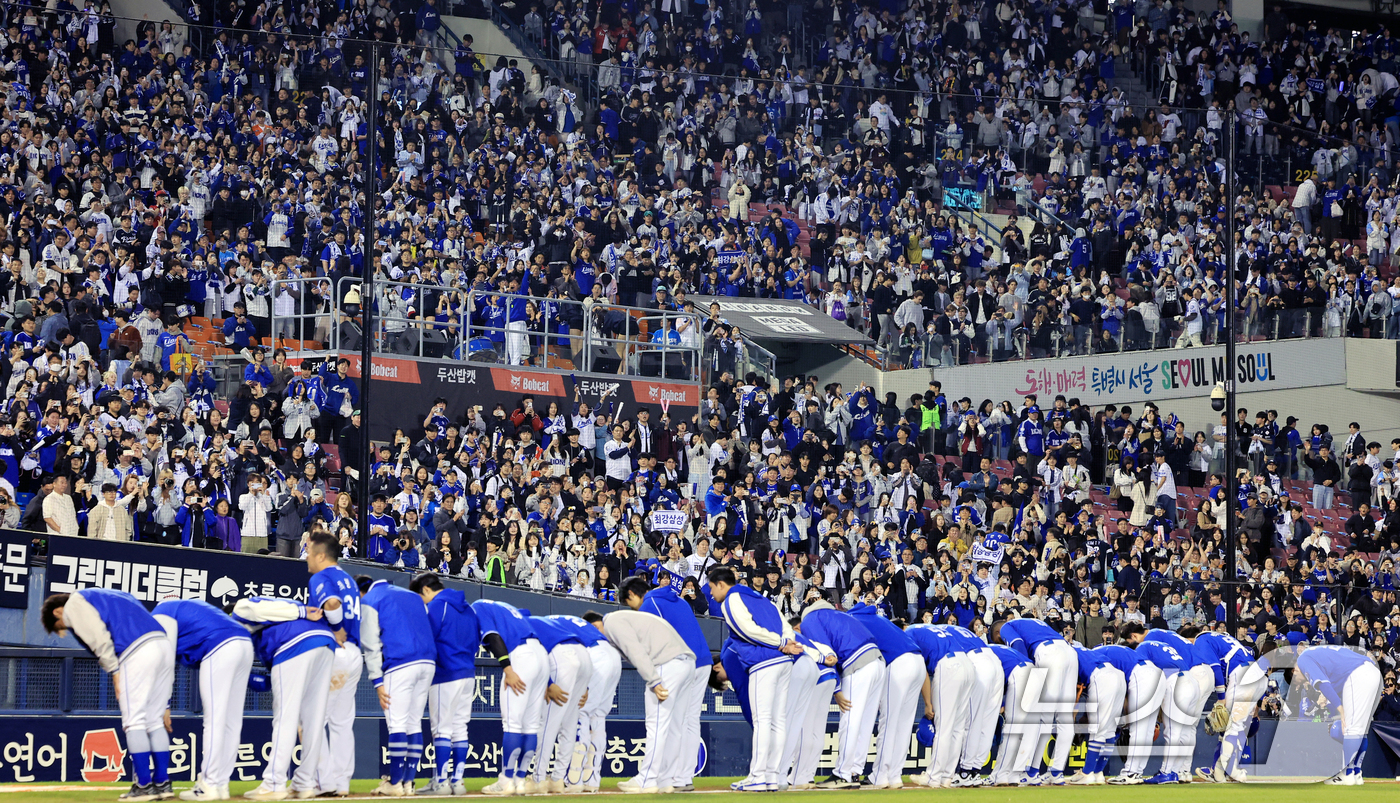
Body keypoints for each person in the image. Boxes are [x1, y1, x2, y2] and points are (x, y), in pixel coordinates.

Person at [42, 589, 177, 802]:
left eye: (61, 626)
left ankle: (143, 786)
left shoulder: (75, 602)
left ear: (58, 611)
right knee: (154, 722)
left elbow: (98, 636)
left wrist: (114, 671)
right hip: (163, 645)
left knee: (134, 722)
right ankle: (162, 783)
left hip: (137, 649)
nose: (67, 628)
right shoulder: (114, 595)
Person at [229, 596, 337, 801]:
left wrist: (302, 612)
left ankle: (274, 783)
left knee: (286, 718)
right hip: (324, 642)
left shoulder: (241, 609)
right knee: (313, 722)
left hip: (295, 644)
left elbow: (253, 611)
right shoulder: (275, 613)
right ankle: (305, 784)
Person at [152, 599, 255, 802]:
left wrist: (164, 704)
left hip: (219, 644)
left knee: (215, 719)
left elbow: (164, 661)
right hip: (244, 643)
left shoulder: (159, 614)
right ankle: (220, 784)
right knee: (231, 722)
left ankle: (207, 785)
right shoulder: (191, 610)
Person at [588, 608, 696, 793]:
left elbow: (635, 651)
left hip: (666, 664)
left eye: (593, 629)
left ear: (596, 624)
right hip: (686, 664)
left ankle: (647, 779)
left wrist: (654, 680)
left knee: (657, 725)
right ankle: (665, 779)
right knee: (674, 727)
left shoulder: (612, 621)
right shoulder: (626, 619)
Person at [620, 574, 711, 792]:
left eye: (628, 603)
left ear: (632, 594)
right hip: (700, 661)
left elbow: (643, 644)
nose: (631, 609)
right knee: (687, 720)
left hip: (675, 662)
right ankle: (681, 777)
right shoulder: (677, 599)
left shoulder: (649, 604)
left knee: (661, 721)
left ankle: (652, 777)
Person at [358, 576, 437, 797]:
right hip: (428, 662)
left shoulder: (370, 599)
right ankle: (407, 783)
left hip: (401, 663)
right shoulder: (413, 595)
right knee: (413, 724)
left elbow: (372, 645)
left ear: (361, 592)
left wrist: (376, 681)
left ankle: (395, 783)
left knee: (397, 725)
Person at [793, 602, 885, 788]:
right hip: (878, 662)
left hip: (857, 663)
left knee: (850, 720)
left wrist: (836, 690)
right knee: (865, 722)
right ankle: (854, 771)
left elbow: (827, 654)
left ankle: (842, 774)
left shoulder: (810, 619)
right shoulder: (840, 615)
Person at [410, 573, 481, 797]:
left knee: (442, 729)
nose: (423, 603)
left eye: (421, 598)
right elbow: (476, 640)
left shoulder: (437, 606)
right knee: (459, 727)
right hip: (468, 672)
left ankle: (441, 782)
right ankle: (457, 782)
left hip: (445, 673)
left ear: (426, 590)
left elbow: (426, 639)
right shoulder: (468, 608)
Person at [472, 599, 549, 795]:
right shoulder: (507, 607)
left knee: (512, 724)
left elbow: (493, 636)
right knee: (530, 726)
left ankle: (506, 781)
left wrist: (507, 667)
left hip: (520, 655)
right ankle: (520, 780)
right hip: (541, 655)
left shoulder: (477, 606)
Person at [306, 531, 362, 798]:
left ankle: (325, 782)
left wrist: (337, 627)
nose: (306, 555)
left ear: (320, 555)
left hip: (335, 651)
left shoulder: (321, 576)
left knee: (311, 720)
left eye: (308, 550)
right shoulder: (348, 578)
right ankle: (341, 783)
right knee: (341, 723)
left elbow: (331, 603)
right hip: (354, 654)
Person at [990, 616, 1079, 784]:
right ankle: (1057, 773)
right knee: (1064, 718)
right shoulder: (1032, 623)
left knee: (1041, 716)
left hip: (1049, 654)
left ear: (997, 633)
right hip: (1069, 653)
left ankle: (1031, 772)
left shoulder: (1005, 627)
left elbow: (1017, 646)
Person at [1122, 623, 1213, 784]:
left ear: (1134, 637)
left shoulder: (1146, 643)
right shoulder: (1160, 635)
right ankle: (1181, 771)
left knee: (1174, 730)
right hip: (1198, 676)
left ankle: (1167, 772)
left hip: (1183, 677)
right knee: (1187, 728)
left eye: (1132, 642)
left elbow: (1153, 675)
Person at [539, 615, 621, 793]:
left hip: (594, 655)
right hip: (612, 656)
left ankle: (573, 779)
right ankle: (591, 780)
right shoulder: (563, 620)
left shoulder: (538, 625)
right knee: (598, 716)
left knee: (580, 713)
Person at [847, 603, 924, 789]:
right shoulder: (877, 618)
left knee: (888, 722)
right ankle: (895, 775)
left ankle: (880, 776)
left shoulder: (854, 619)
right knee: (904, 725)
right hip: (917, 662)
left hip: (899, 663)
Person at [710, 628, 795, 792]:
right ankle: (775, 777)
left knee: (767, 723)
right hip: (788, 660)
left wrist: (755, 724)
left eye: (721, 678)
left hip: (775, 663)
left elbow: (743, 693)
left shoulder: (728, 658)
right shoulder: (730, 646)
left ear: (716, 668)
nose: (726, 680)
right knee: (779, 722)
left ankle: (760, 777)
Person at [1293, 638, 1384, 785]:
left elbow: (1324, 684)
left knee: (1350, 728)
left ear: (1295, 669)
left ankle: (1347, 773)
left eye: (1297, 677)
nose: (1303, 679)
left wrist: (1341, 711)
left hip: (1358, 674)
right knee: (1361, 730)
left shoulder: (1303, 659)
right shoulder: (1320, 656)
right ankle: (1356, 772)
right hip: (1372, 672)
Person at [524, 615, 593, 792]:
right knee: (570, 723)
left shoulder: (521, 625)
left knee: (548, 723)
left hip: (561, 655)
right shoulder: (544, 621)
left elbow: (534, 658)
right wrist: (585, 687)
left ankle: (538, 779)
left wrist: (548, 684)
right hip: (584, 656)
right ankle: (557, 779)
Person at [1093, 631, 1165, 786]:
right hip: (1156, 674)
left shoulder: (1094, 658)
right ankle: (1136, 772)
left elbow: (1118, 691)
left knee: (1138, 729)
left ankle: (1131, 773)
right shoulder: (1109, 652)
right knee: (1145, 730)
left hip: (1141, 675)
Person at [1191, 629, 1259, 783]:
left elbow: (1215, 667)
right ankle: (1224, 770)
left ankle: (1222, 771)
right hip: (1253, 673)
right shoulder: (1223, 639)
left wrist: (1221, 698)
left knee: (1229, 726)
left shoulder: (1201, 639)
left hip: (1241, 675)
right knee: (1235, 727)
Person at [1067, 643, 1126, 785]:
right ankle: (1098, 772)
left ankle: (1087, 773)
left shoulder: (1067, 654)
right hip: (1117, 676)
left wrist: (1072, 719)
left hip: (1101, 677)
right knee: (1109, 731)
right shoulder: (1081, 650)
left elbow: (1075, 692)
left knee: (1097, 730)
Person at [986, 643, 1040, 787]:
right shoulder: (998, 648)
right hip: (1036, 673)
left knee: (1013, 729)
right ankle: (1015, 775)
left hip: (1019, 675)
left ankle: (1000, 775)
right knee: (1028, 731)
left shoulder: (983, 652)